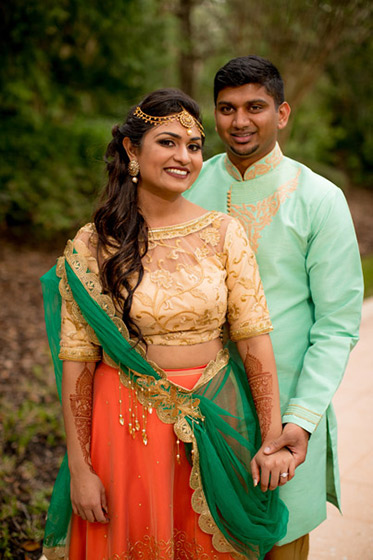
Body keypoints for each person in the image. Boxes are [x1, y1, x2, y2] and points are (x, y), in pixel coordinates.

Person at [41, 88, 293, 560]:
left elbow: (254, 341)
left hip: (217, 418)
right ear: (132, 150)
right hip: (125, 428)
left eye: (194, 146)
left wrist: (271, 437)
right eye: (168, 142)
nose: (184, 157)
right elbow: (77, 363)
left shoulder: (224, 232)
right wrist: (80, 467)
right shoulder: (92, 245)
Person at [185, 56, 364, 559]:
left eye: (255, 107)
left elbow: (336, 323)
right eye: (227, 108)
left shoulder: (320, 199)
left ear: (281, 114)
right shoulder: (187, 186)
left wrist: (301, 418)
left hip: (284, 411)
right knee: (201, 534)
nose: (239, 121)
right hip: (194, 405)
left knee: (279, 540)